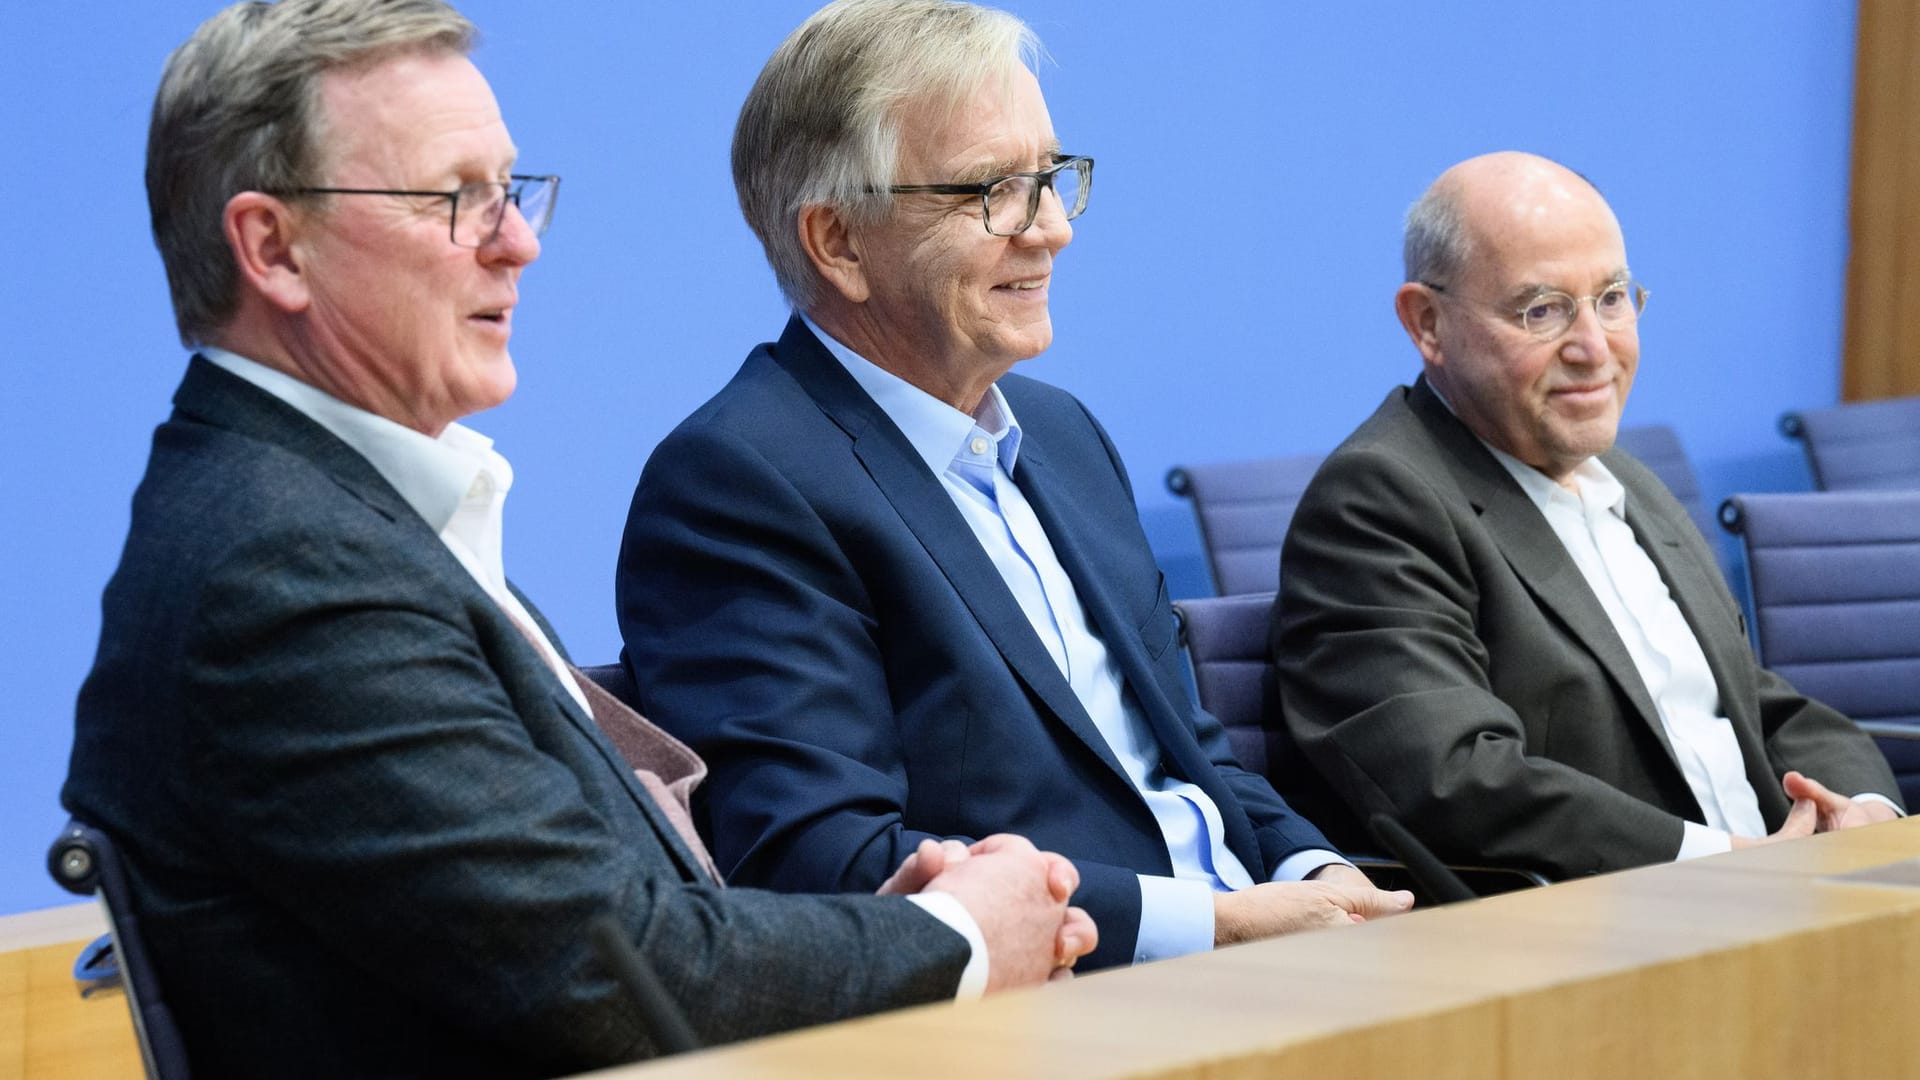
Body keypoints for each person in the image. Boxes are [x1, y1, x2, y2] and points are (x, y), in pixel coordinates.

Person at [61, 2, 1094, 1075]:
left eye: (510, 191)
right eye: (457, 199)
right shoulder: (282, 573)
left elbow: (598, 930)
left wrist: (877, 936)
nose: (517, 242)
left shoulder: (345, 521)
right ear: (274, 248)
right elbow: (622, 980)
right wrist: (964, 936)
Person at [616, 0, 1410, 974]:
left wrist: (1316, 871)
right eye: (994, 190)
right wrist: (1219, 924)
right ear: (838, 242)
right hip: (1062, 1007)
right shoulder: (739, 482)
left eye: (1051, 179)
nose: (1053, 230)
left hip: (1258, 960)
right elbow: (824, 862)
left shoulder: (1064, 433)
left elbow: (1189, 760)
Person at [1271, 150, 1903, 881]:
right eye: (1541, 310)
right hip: (1609, 931)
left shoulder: (1622, 478)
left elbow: (1753, 704)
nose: (1594, 347)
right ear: (1428, 323)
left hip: (1786, 895)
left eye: (1611, 298)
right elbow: (1458, 780)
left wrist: (1863, 816)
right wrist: (1730, 865)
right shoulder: (1378, 501)